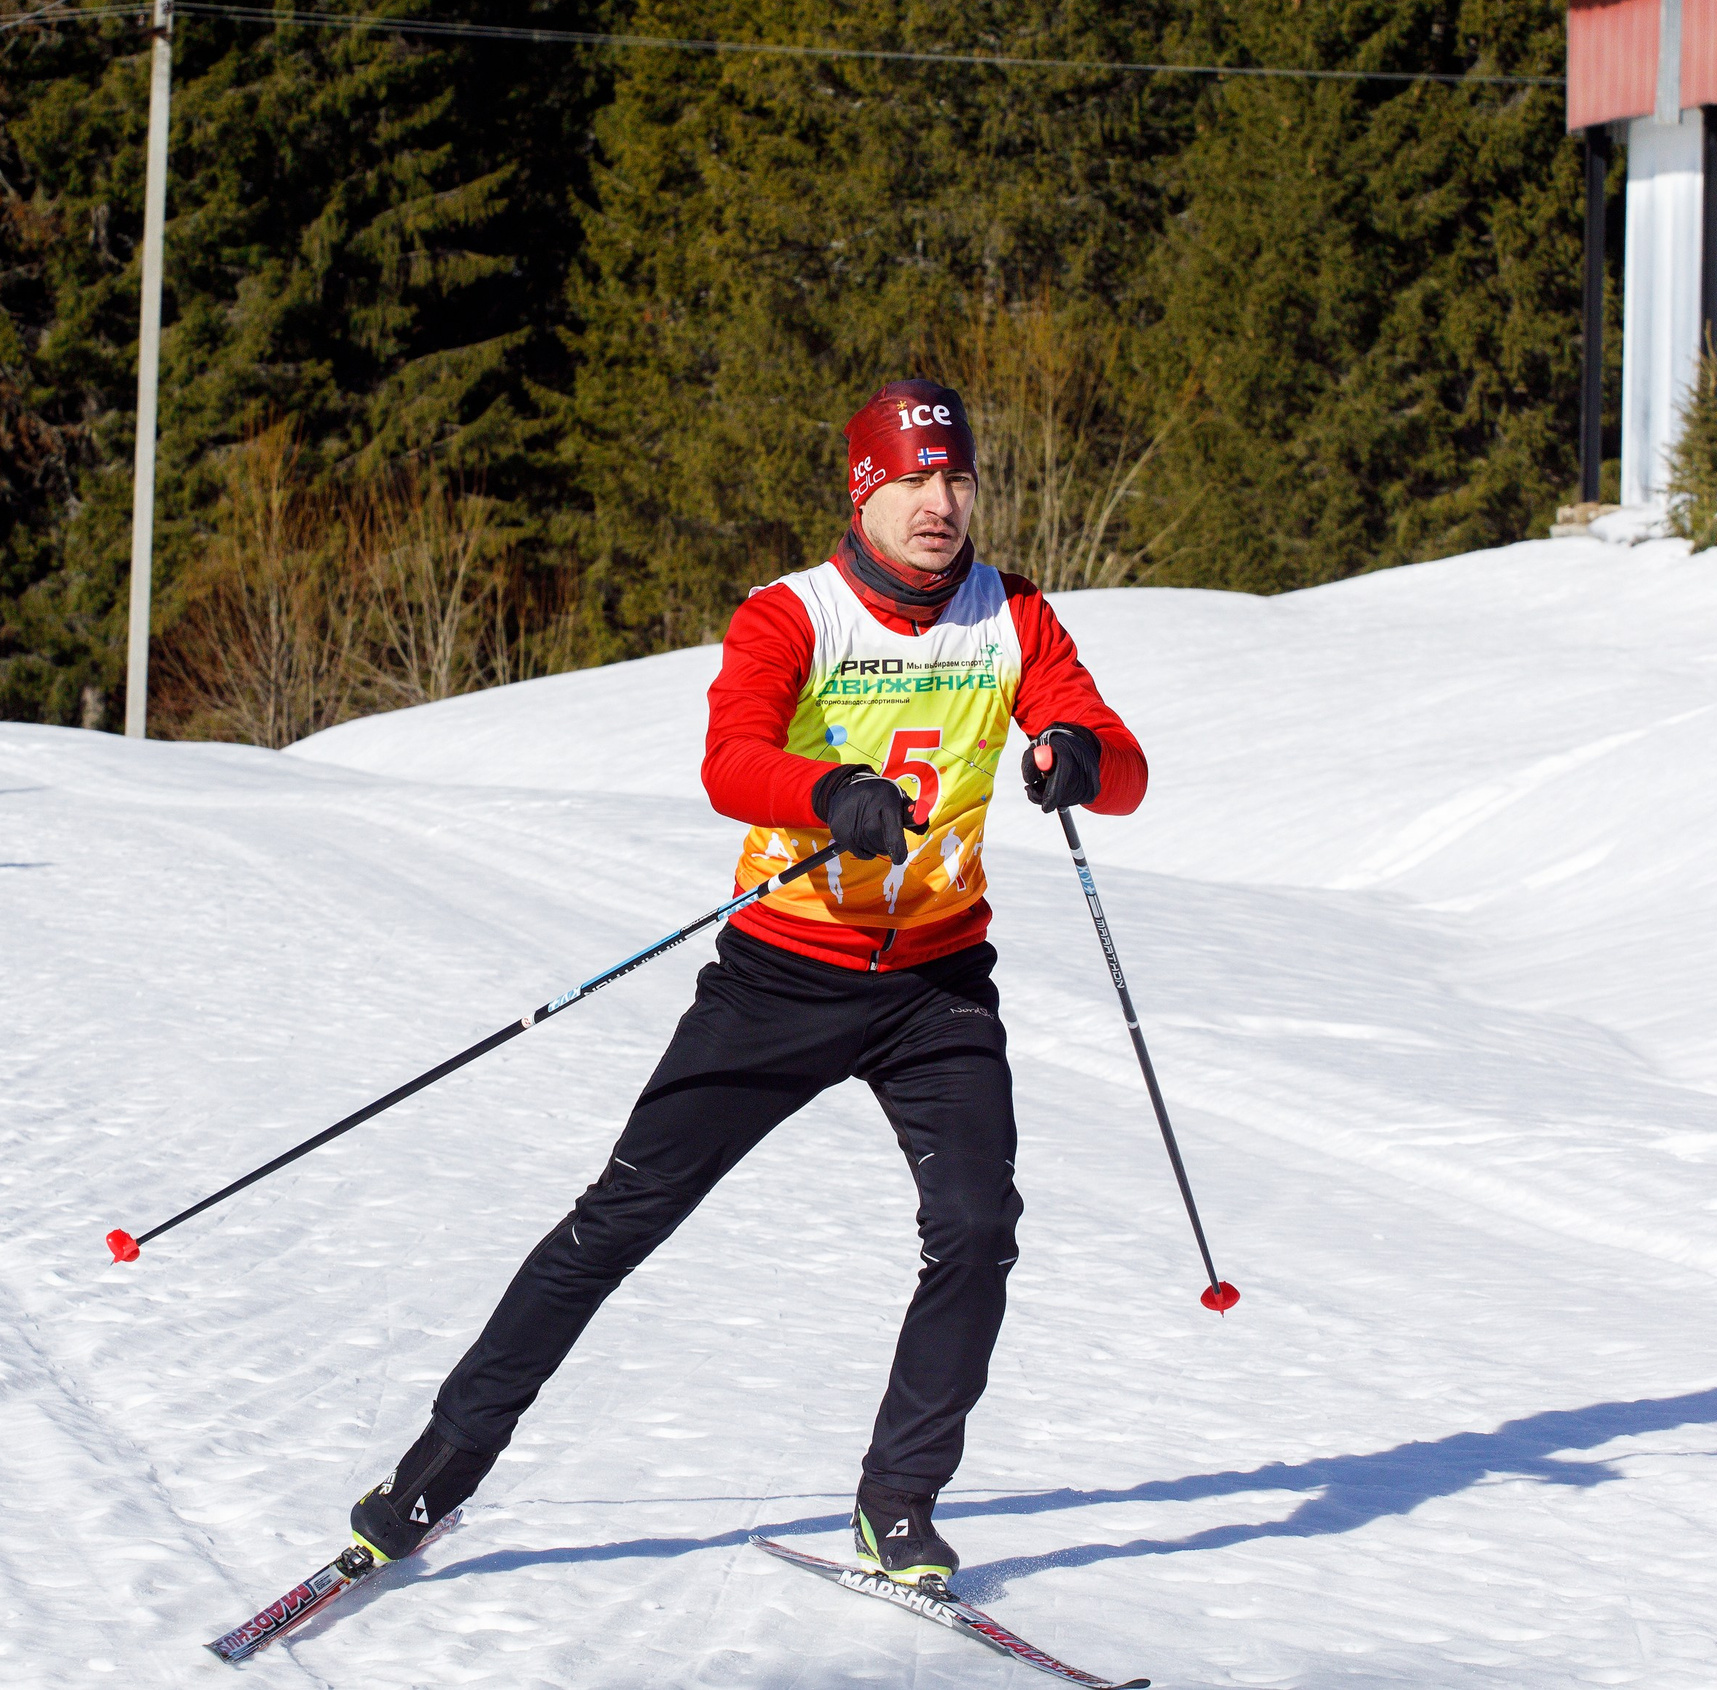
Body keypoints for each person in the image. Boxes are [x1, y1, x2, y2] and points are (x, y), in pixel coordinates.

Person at [347, 379, 1148, 1588]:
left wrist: (1080, 752)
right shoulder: (792, 614)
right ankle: (431, 1477)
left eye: (959, 480)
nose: (941, 505)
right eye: (914, 482)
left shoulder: (1013, 615)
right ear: (864, 492)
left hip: (935, 985)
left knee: (977, 1229)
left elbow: (1119, 759)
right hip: (780, 975)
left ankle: (898, 1502)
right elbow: (733, 758)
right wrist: (828, 792)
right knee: (616, 1222)